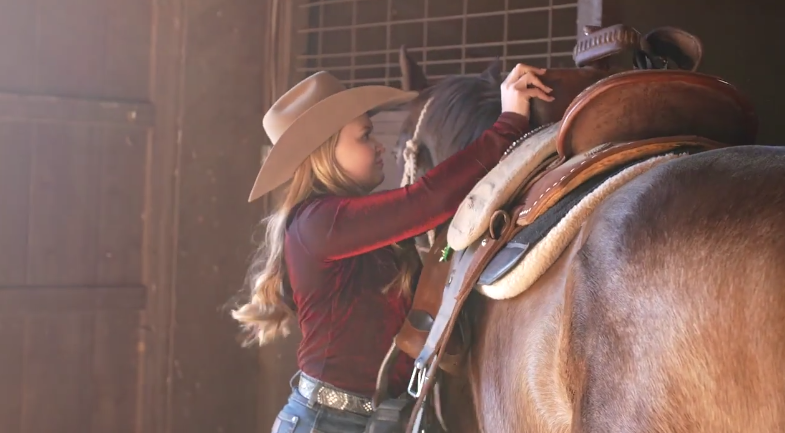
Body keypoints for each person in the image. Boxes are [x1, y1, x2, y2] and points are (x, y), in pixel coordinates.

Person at [232, 64, 554, 433]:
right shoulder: (319, 223)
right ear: (324, 153)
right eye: (365, 136)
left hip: (382, 419)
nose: (379, 144)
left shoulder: (340, 223)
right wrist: (508, 123)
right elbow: (426, 201)